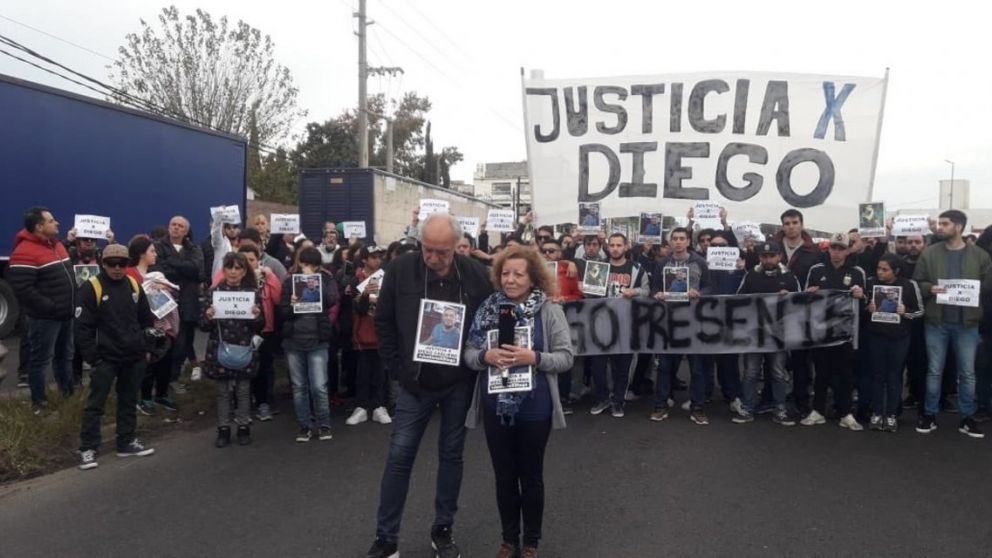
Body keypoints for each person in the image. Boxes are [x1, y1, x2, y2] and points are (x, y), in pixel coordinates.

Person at [365, 212, 493, 558]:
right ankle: (386, 537)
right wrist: (399, 369)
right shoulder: (401, 269)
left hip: (457, 384)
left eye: (442, 252)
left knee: (452, 457)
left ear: (458, 247)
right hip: (414, 383)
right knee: (398, 458)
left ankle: (443, 530)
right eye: (427, 249)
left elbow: (495, 315)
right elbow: (384, 321)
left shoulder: (476, 276)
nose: (433, 258)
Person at [463, 245, 574, 558]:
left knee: (531, 476)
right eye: (505, 273)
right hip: (494, 404)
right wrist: (486, 355)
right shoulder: (487, 308)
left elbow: (566, 357)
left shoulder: (549, 310)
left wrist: (533, 357)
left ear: (533, 277)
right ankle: (509, 540)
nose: (510, 280)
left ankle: (530, 543)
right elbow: (469, 355)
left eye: (518, 274)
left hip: (535, 407)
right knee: (504, 476)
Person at [75, 244, 156, 470]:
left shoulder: (133, 284)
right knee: (96, 404)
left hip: (133, 355)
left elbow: (146, 320)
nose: (118, 268)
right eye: (113, 264)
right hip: (105, 358)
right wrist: (94, 358)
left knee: (129, 399)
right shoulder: (92, 287)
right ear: (103, 263)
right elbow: (82, 329)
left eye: (123, 263)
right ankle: (88, 448)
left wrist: (145, 348)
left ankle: (126, 441)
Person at [913, 209, 992, 438]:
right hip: (936, 322)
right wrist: (931, 288)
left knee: (967, 373)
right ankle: (929, 414)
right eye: (940, 223)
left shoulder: (980, 256)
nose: (940, 227)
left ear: (958, 227)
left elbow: (987, 286)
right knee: (934, 371)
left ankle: (967, 417)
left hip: (967, 324)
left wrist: (971, 289)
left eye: (945, 224)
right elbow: (918, 281)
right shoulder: (929, 253)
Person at [8, 206, 76, 409]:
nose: (57, 223)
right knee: (40, 360)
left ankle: (67, 396)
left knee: (64, 357)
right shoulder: (24, 252)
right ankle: (39, 403)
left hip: (65, 314)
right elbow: (23, 289)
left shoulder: (56, 245)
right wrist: (50, 307)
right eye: (51, 221)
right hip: (45, 318)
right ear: (39, 226)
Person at [801, 232, 867, 431]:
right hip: (821, 331)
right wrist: (809, 294)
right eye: (833, 248)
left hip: (845, 332)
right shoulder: (816, 270)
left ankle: (846, 413)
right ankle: (818, 411)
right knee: (821, 372)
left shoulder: (857, 272)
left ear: (847, 250)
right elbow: (803, 300)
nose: (836, 253)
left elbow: (864, 303)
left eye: (841, 248)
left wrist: (861, 295)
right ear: (828, 249)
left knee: (845, 373)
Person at [732, 241, 801, 426]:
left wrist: (790, 297)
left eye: (772, 256)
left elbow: (801, 305)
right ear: (760, 257)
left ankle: (780, 409)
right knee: (750, 372)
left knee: (778, 373)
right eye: (764, 256)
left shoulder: (790, 277)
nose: (768, 259)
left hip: (778, 334)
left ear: (779, 256)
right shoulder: (750, 276)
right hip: (754, 334)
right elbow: (738, 300)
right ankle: (747, 408)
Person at [201, 252, 264, 448]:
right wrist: (208, 316)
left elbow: (261, 325)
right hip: (220, 347)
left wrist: (257, 316)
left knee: (243, 391)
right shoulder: (213, 293)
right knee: (222, 392)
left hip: (244, 348)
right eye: (230, 267)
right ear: (224, 270)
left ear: (244, 271)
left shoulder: (252, 294)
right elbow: (203, 326)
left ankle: (243, 427)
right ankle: (223, 429)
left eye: (238, 268)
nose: (233, 272)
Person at [585, 233, 649, 418]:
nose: (615, 248)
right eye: (612, 245)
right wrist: (587, 288)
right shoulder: (598, 267)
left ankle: (618, 401)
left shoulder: (637, 268)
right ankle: (602, 398)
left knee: (623, 365)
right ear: (607, 247)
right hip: (601, 324)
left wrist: (634, 291)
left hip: (626, 325)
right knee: (598, 365)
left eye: (619, 245)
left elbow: (646, 291)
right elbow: (589, 296)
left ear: (626, 246)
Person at [650, 227, 710, 424]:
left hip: (694, 321)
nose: (677, 242)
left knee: (697, 368)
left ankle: (698, 407)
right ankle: (661, 406)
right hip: (669, 321)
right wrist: (657, 294)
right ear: (670, 242)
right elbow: (655, 287)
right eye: (674, 238)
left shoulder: (700, 262)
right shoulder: (662, 263)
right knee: (665, 366)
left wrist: (699, 293)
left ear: (688, 241)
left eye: (681, 238)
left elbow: (710, 287)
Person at [279, 247, 337, 442]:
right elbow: (283, 312)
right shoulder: (289, 282)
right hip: (294, 340)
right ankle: (305, 425)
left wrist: (316, 285)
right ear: (299, 263)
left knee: (319, 385)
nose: (308, 268)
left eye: (312, 265)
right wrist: (293, 302)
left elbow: (332, 300)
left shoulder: (326, 279)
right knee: (298, 386)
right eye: (305, 264)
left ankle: (324, 424)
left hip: (317, 339)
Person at [771, 209, 824, 419]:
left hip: (803, 312)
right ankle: (772, 399)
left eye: (794, 222)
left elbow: (820, 276)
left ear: (801, 224)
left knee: (801, 360)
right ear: (782, 225)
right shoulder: (773, 247)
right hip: (775, 311)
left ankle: (801, 401)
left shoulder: (814, 251)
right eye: (787, 223)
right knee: (774, 358)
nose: (791, 226)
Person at [866, 254, 924, 432]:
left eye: (885, 269)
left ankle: (891, 414)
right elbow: (860, 306)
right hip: (876, 336)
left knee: (894, 376)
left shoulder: (908, 285)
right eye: (878, 268)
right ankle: (876, 412)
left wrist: (905, 312)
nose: (880, 272)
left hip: (899, 338)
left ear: (896, 270)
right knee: (876, 375)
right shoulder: (871, 283)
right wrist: (868, 308)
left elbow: (920, 311)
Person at [128, 235, 180, 415]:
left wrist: (165, 289)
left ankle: (162, 394)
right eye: (152, 251)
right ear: (141, 253)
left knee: (165, 361)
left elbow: (174, 291)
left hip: (164, 326)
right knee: (148, 362)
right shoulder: (131, 275)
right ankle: (145, 398)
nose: (155, 254)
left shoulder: (156, 274)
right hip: (145, 326)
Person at [155, 216, 205, 388]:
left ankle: (174, 378)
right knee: (164, 341)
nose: (176, 228)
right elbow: (159, 270)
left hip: (187, 301)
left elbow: (198, 271)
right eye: (173, 225)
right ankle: (160, 381)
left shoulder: (194, 248)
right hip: (163, 302)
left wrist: (172, 262)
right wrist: (184, 268)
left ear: (185, 230)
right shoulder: (158, 246)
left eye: (180, 226)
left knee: (183, 342)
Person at [347, 245, 391, 426]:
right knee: (362, 373)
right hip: (362, 333)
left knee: (381, 373)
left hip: (381, 333)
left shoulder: (386, 278)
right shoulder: (355, 279)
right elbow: (358, 309)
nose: (377, 260)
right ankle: (362, 407)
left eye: (379, 257)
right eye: (373, 257)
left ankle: (380, 406)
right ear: (364, 259)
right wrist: (365, 294)